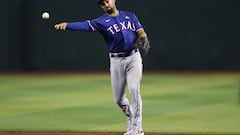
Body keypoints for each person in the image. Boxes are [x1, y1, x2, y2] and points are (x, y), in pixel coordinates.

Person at [54, 0, 149, 135]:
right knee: (119, 99)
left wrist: (143, 38)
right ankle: (131, 116)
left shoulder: (130, 16)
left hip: (134, 58)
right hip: (116, 60)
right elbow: (84, 25)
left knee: (134, 90)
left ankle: (137, 129)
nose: (106, 4)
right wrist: (68, 25)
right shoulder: (100, 22)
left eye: (107, 1)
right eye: (102, 3)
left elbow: (141, 33)